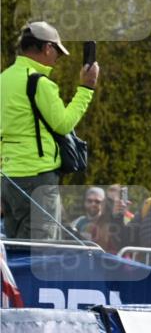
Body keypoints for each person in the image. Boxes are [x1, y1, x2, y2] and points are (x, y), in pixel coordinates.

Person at [0, 22, 99, 240]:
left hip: (8, 178)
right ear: (47, 48)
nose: (58, 58)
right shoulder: (39, 82)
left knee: (15, 247)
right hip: (38, 176)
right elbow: (63, 124)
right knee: (41, 249)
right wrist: (87, 88)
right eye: (58, 52)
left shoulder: (3, 79)